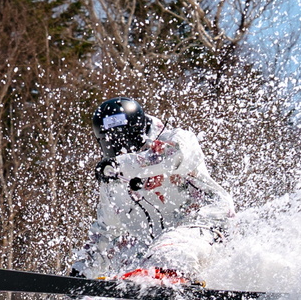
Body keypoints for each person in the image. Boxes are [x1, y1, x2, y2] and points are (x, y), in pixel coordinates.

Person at [69, 97, 235, 285]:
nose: (120, 149)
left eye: (124, 140)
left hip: (206, 225)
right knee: (123, 252)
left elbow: (173, 156)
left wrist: (121, 166)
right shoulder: (112, 179)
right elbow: (106, 230)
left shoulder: (177, 140)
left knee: (167, 251)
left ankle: (172, 277)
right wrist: (82, 270)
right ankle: (136, 297)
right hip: (154, 244)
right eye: (111, 144)